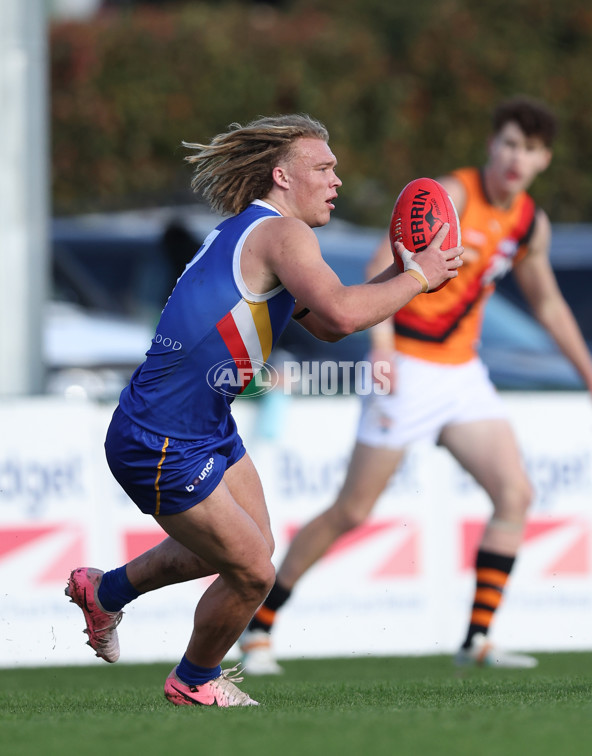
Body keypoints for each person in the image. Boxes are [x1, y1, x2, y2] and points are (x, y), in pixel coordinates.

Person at [64, 113, 462, 707]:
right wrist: (419, 277)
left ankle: (106, 593)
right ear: (281, 175)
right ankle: (193, 681)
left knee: (247, 550)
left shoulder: (257, 234)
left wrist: (406, 275)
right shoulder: (283, 236)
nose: (337, 181)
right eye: (323, 168)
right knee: (253, 571)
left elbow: (328, 324)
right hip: (162, 435)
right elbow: (347, 315)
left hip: (201, 426)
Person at [239, 97, 592, 674]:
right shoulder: (451, 195)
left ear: (544, 160)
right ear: (491, 146)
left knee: (515, 494)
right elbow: (386, 260)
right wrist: (381, 352)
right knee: (352, 511)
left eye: (529, 149)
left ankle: (475, 641)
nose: (515, 157)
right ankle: (258, 628)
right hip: (406, 365)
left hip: (463, 373)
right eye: (508, 143)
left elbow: (550, 304)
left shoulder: (530, 222)